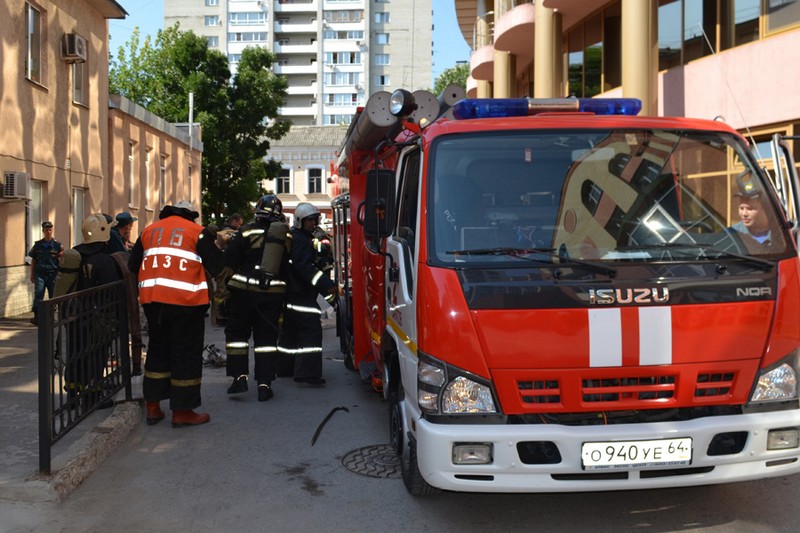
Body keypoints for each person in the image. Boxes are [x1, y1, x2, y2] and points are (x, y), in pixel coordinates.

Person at [128, 201, 223, 428]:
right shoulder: (196, 232)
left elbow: (133, 265)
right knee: (185, 354)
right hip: (185, 303)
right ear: (190, 215)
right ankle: (182, 411)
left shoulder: (149, 231)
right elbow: (218, 266)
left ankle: (153, 407)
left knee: (158, 350)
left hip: (153, 301)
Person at [223, 194, 290, 401]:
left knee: (237, 337)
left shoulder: (245, 231)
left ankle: (239, 378)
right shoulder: (285, 237)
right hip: (272, 295)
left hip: (244, 293)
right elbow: (287, 267)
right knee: (267, 340)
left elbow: (230, 261)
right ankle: (264, 385)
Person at [64, 214, 124, 409]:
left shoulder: (75, 254)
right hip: (97, 315)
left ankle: (72, 395)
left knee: (75, 353)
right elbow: (112, 291)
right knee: (95, 355)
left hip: (74, 313)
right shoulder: (104, 260)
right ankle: (93, 396)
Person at [277, 203, 337, 386]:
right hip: (301, 295)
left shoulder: (298, 237)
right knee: (311, 331)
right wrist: (327, 284)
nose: (313, 223)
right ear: (299, 221)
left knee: (290, 334)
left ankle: (285, 368)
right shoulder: (301, 240)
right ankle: (307, 374)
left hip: (292, 295)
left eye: (315, 219)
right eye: (310, 220)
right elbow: (304, 267)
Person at [28, 221, 63, 325]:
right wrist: (32, 273)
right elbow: (34, 260)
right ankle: (37, 317)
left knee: (53, 295)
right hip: (40, 273)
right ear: (43, 231)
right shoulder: (38, 245)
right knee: (39, 293)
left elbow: (61, 260)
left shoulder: (57, 245)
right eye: (46, 230)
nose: (48, 232)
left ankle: (51, 317)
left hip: (52, 273)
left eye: (50, 230)